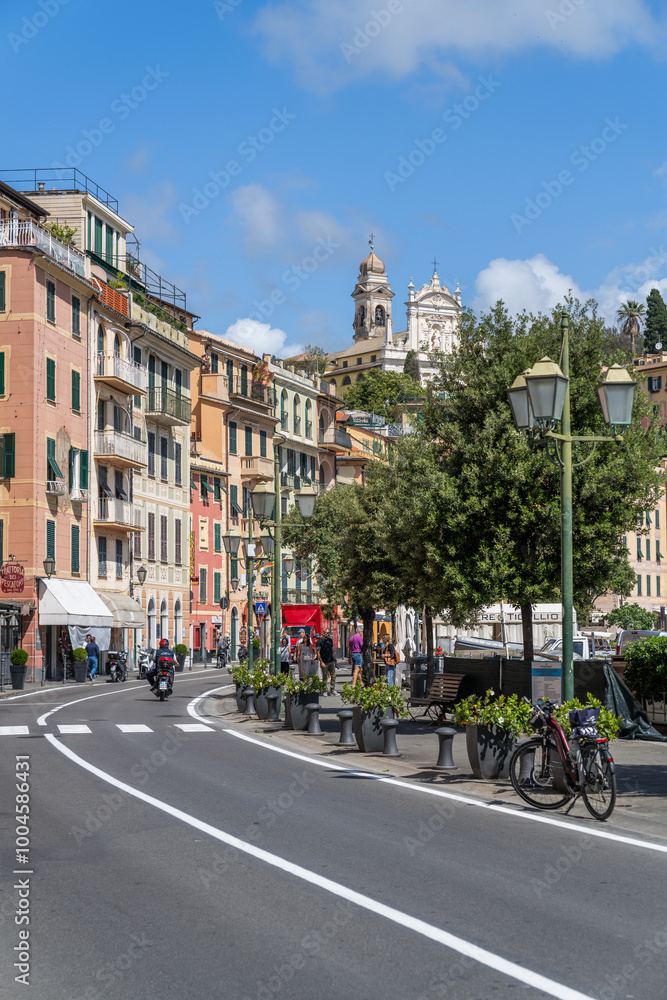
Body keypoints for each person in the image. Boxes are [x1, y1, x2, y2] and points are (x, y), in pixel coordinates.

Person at [316, 628, 337, 696]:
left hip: (331, 660)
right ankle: (325, 690)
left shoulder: (330, 640)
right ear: (323, 633)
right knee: (324, 677)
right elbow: (318, 653)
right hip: (324, 661)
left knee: (333, 676)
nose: (328, 634)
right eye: (327, 633)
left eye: (329, 633)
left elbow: (332, 650)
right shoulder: (319, 641)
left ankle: (332, 690)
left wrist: (335, 660)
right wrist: (321, 662)